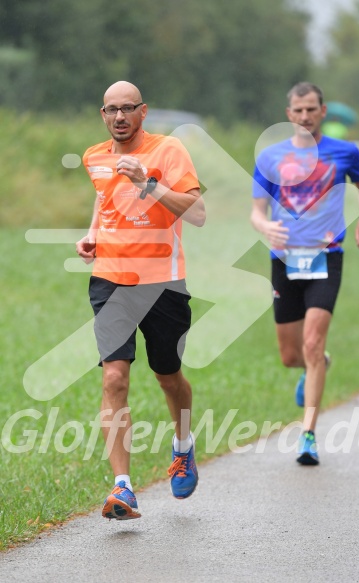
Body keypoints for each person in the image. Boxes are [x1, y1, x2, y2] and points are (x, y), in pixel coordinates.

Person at [76, 81, 205, 519]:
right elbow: (103, 197)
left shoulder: (168, 151)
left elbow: (198, 213)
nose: (119, 117)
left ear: (143, 111)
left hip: (163, 283)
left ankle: (183, 446)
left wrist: (147, 184)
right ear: (103, 113)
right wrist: (93, 231)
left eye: (128, 108)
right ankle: (123, 487)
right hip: (109, 280)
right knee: (114, 378)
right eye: (111, 109)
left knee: (168, 376)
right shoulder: (94, 156)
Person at [250, 82, 359, 465]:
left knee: (312, 344)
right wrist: (264, 227)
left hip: (326, 256)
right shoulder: (271, 157)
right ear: (288, 114)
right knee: (291, 356)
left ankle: (308, 434)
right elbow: (256, 210)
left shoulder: (344, 152)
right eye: (298, 110)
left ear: (323, 112)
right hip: (285, 260)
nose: (305, 116)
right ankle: (315, 365)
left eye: (311, 109)